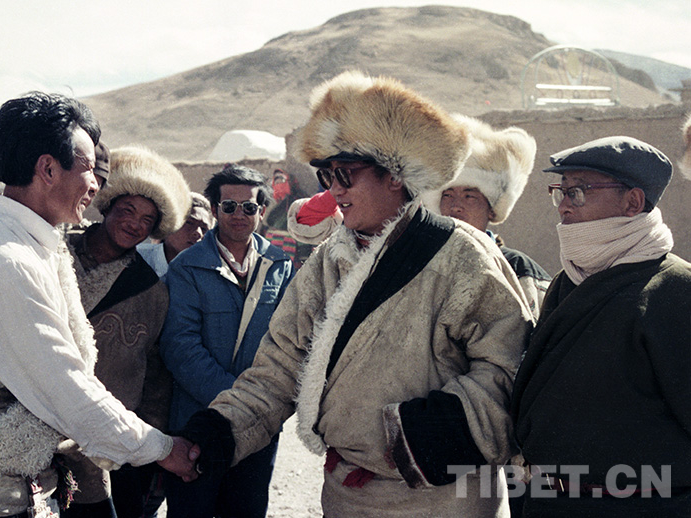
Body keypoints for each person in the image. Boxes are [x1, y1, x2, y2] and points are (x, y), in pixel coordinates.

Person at [178, 71, 534, 517]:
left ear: (395, 175)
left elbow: (510, 365)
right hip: (346, 495)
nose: (334, 190)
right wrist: (218, 430)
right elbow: (279, 367)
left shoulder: (462, 255)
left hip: (444, 498)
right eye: (327, 175)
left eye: (345, 174)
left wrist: (417, 438)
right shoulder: (327, 261)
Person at [0, 92, 198, 518]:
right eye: (88, 169)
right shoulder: (5, 259)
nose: (95, 185)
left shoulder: (30, 243)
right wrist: (160, 448)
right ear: (47, 169)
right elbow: (63, 388)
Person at [511, 136, 691, 517]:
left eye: (578, 192)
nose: (563, 205)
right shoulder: (567, 283)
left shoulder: (674, 288)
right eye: (560, 192)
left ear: (633, 203)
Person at [62, 145, 192, 517]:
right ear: (107, 206)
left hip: (111, 441)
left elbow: (156, 378)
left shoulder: (151, 292)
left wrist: (150, 448)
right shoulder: (55, 255)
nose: (135, 223)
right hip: (42, 427)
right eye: (128, 210)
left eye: (147, 219)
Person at [160, 164, 294, 518]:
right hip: (199, 424)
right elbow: (181, 348)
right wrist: (238, 404)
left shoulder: (279, 266)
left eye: (248, 207)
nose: (239, 214)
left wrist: (258, 409)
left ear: (261, 211)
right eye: (229, 206)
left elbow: (287, 342)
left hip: (259, 429)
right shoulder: (187, 268)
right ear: (215, 209)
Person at [432, 115, 551, 318]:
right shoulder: (426, 264)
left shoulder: (519, 269)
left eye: (469, 196)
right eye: (448, 195)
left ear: (492, 209)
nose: (455, 206)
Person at [137, 192, 213, 278]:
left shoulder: (208, 275)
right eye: (189, 223)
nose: (198, 233)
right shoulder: (137, 258)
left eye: (204, 229)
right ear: (169, 225)